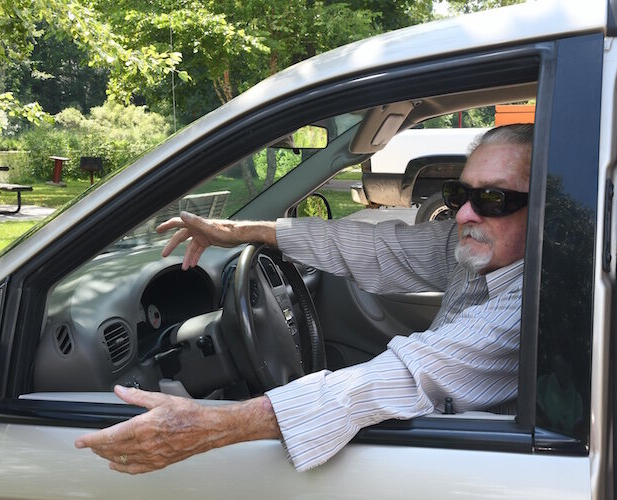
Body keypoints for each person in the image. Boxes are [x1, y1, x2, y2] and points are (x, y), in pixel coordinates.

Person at [75, 123, 533, 475]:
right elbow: (370, 246)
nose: (465, 214)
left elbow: (403, 376)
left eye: (493, 198)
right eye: (461, 193)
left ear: (547, 209)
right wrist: (236, 231)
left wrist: (211, 425)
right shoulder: (475, 250)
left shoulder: (529, 305)